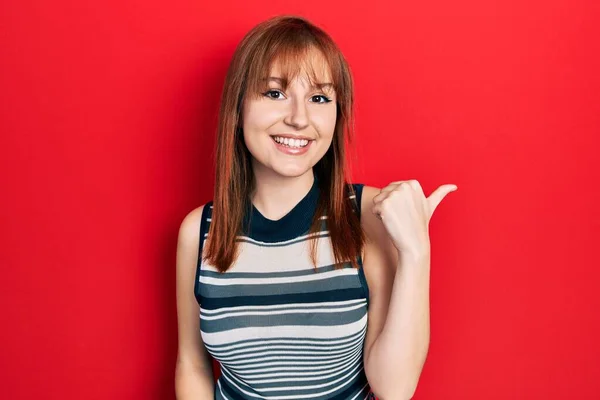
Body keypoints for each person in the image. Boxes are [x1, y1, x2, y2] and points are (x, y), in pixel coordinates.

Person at [175, 15, 457, 400]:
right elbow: (191, 364)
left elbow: (394, 389)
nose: (298, 118)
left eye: (319, 98)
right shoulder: (199, 231)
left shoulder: (368, 216)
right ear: (238, 106)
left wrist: (416, 251)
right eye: (275, 93)